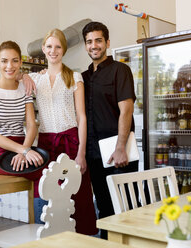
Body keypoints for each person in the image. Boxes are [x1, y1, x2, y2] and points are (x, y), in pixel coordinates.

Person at [23, 29, 97, 235]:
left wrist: (81, 153)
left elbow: (82, 117)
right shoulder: (34, 79)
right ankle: (50, 238)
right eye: (49, 46)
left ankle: (83, 239)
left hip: (71, 140)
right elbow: (8, 75)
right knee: (48, 193)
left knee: (78, 194)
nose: (53, 51)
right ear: (43, 50)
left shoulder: (74, 77)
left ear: (63, 49)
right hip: (46, 145)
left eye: (57, 46)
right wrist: (22, 75)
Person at [81, 21, 138, 239]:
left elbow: (126, 111)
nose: (93, 45)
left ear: (107, 43)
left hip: (118, 152)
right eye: (89, 41)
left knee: (126, 208)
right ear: (85, 45)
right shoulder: (83, 78)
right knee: (104, 209)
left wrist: (121, 147)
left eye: (98, 40)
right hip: (95, 154)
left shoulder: (120, 70)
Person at [0, 41, 45, 207]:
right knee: (39, 172)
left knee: (48, 167)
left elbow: (31, 125)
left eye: (14, 60)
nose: (10, 66)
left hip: (23, 145)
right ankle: (41, 223)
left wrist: (24, 150)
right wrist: (24, 151)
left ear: (21, 62)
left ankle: (44, 221)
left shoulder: (24, 88)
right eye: (4, 61)